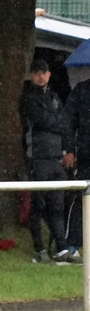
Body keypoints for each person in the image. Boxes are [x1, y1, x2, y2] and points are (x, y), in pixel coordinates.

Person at [20, 58, 76, 264]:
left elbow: (63, 123)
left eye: (44, 72)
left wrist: (68, 149)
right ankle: (39, 249)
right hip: (38, 158)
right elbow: (44, 121)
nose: (41, 76)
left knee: (57, 205)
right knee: (38, 205)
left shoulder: (54, 96)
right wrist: (59, 122)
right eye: (37, 72)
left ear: (49, 74)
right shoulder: (27, 98)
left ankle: (62, 248)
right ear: (31, 75)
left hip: (56, 158)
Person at [63, 77, 90, 264]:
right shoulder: (82, 91)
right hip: (87, 156)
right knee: (82, 199)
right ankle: (72, 244)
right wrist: (69, 150)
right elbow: (68, 121)